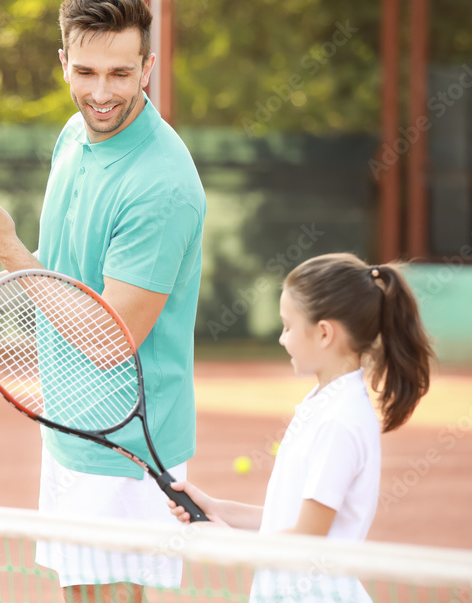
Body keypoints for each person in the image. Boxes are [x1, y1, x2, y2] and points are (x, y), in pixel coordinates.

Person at [0, 0, 206, 602]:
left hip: (128, 443)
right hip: (71, 428)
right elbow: (60, 274)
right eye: (88, 71)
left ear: (148, 68)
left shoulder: (161, 185)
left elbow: (109, 338)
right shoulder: (74, 138)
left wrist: (9, 250)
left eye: (122, 74)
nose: (102, 93)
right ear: (63, 63)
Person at [168, 253, 433, 602]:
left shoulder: (340, 421)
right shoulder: (323, 403)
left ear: (324, 333)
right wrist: (218, 509)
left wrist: (227, 542)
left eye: (288, 326)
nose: (282, 338)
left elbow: (306, 537)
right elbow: (288, 519)